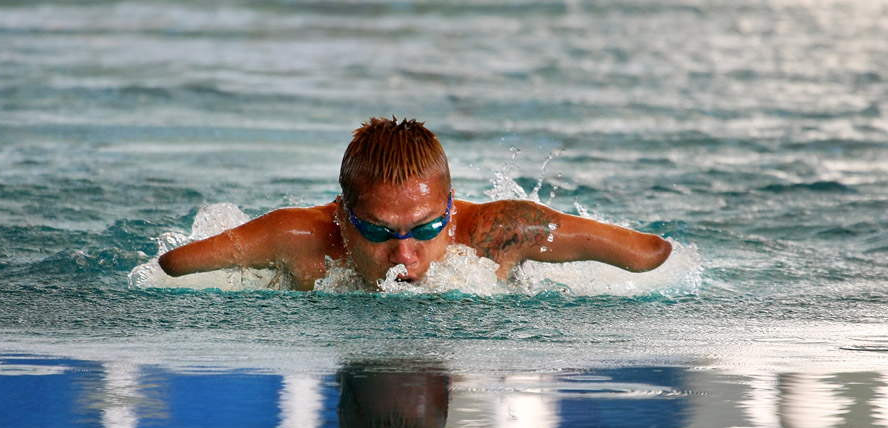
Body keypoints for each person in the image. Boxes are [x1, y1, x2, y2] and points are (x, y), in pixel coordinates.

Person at [158, 117, 672, 290]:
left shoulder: (498, 232)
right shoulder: (298, 239)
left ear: (451, 211)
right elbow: (173, 266)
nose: (404, 255)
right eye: (380, 233)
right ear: (343, 215)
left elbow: (647, 253)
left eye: (425, 230)